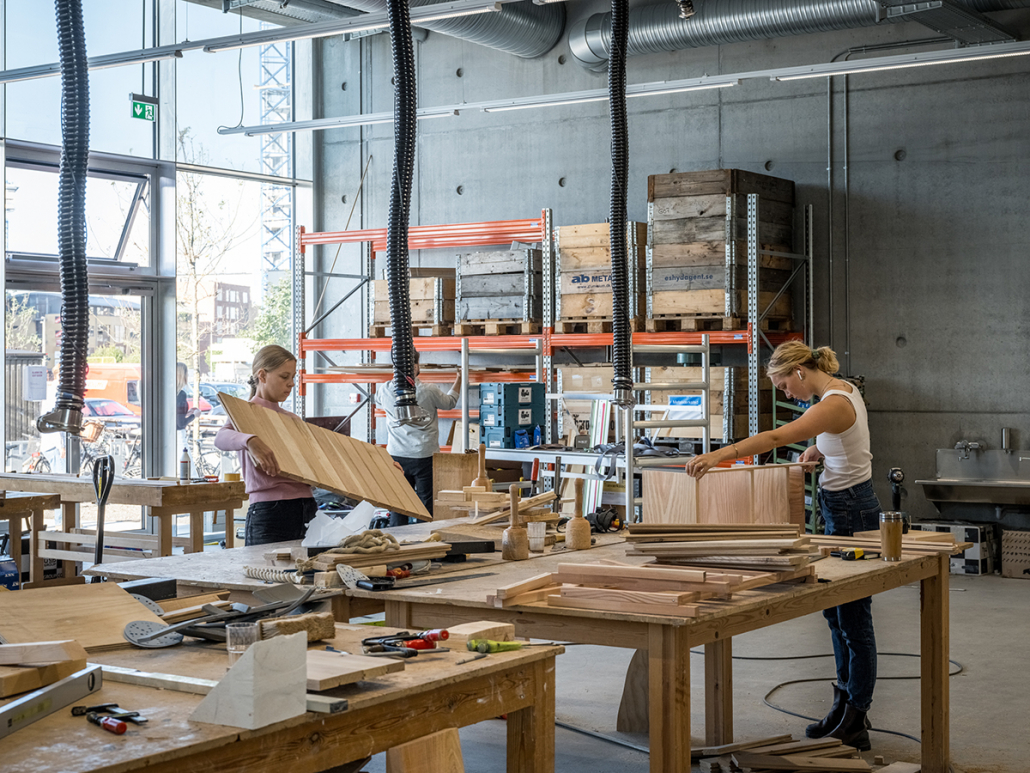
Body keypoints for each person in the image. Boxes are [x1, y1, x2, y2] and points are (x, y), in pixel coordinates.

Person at [684, 341, 880, 752]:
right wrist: (819, 448)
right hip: (838, 505)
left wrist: (720, 455)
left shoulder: (831, 404)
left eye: (784, 384)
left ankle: (857, 717)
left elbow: (774, 436)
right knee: (834, 610)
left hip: (852, 513)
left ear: (801, 372)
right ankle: (842, 701)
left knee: (854, 618)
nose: (786, 393)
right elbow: (846, 443)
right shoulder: (837, 391)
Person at [214, 345, 317, 546]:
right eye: (284, 377)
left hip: (307, 508)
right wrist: (249, 441)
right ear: (262, 375)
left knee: (303, 576)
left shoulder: (292, 419)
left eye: (293, 377)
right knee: (265, 574)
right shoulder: (245, 414)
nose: (291, 384)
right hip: (269, 511)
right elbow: (220, 439)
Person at [375, 351, 461, 527]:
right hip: (423, 456)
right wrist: (460, 379)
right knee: (425, 503)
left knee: (399, 502)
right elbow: (450, 402)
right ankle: (423, 542)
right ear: (414, 367)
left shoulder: (385, 390)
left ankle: (397, 542)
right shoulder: (428, 391)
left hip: (396, 456)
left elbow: (378, 401)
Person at [175, 362, 202, 449]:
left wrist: (187, 413)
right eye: (187, 373)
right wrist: (194, 415)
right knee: (185, 461)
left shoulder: (171, 393)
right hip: (179, 437)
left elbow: (176, 416)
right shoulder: (181, 394)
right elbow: (181, 423)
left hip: (170, 435)